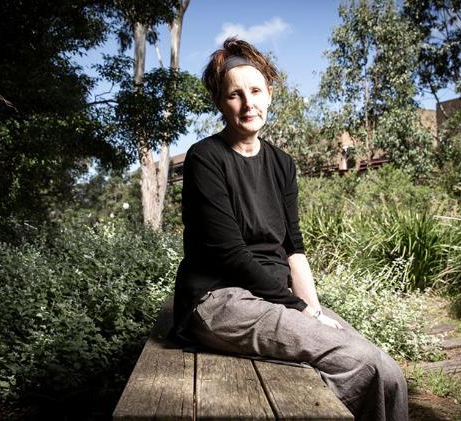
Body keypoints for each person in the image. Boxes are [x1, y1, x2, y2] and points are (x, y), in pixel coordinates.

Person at [171, 37, 408, 421]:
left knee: (387, 370)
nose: (248, 104)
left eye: (256, 91)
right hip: (220, 301)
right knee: (366, 366)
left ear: (270, 93)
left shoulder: (282, 164)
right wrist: (299, 310)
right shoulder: (206, 158)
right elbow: (229, 254)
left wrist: (312, 310)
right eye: (234, 95)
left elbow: (292, 248)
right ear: (219, 102)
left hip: (274, 299)